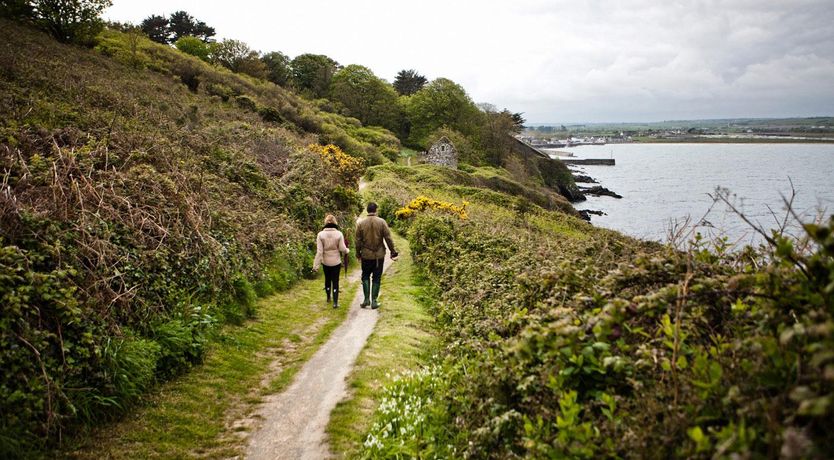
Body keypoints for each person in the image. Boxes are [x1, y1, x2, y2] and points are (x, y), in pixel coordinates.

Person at [355, 202, 398, 309]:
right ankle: (374, 301)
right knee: (377, 277)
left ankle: (366, 300)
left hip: (366, 255)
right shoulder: (382, 222)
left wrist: (357, 253)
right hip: (379, 255)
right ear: (376, 210)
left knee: (365, 276)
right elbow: (388, 238)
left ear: (367, 210)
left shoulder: (361, 224)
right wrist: (392, 251)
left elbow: (357, 241)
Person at [313, 214, 349, 308]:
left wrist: (315, 266)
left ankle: (328, 297)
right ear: (335, 222)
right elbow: (342, 248)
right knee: (335, 281)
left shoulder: (320, 234)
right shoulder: (339, 234)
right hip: (336, 262)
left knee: (327, 280)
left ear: (325, 222)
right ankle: (335, 302)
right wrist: (347, 251)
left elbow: (319, 252)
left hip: (326, 262)